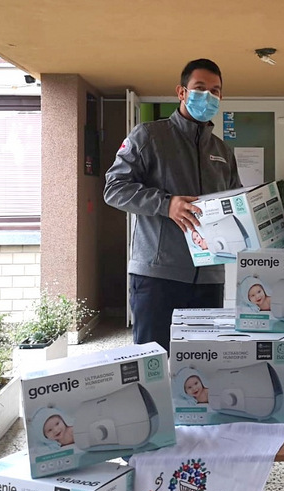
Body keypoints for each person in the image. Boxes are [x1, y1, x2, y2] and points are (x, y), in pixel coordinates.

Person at [104, 58, 241, 352]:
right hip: (159, 276)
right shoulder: (149, 136)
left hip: (209, 278)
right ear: (181, 92)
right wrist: (166, 204)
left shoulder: (223, 151)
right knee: (155, 365)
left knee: (202, 363)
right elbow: (114, 188)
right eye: (200, 88)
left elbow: (234, 203)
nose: (208, 96)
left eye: (215, 91)